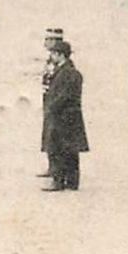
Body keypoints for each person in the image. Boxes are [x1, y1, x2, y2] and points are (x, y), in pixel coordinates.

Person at [41, 39, 88, 192]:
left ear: (61, 55)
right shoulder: (66, 71)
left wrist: (52, 107)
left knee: (59, 148)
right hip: (69, 116)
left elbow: (64, 95)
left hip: (63, 116)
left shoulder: (67, 72)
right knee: (69, 149)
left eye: (54, 54)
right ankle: (72, 181)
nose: (52, 57)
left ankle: (59, 180)